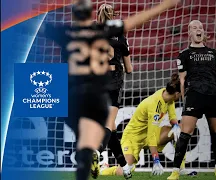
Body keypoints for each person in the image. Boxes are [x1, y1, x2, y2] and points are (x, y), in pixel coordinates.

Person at [40, 0, 181, 180]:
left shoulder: (67, 32)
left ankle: (122, 165)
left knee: (97, 133)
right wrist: (164, 6)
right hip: (104, 86)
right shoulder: (109, 32)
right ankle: (98, 152)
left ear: (75, 15)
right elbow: (129, 61)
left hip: (74, 90)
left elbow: (33, 30)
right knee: (108, 126)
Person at [167, 20, 216, 180]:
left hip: (213, 95)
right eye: (195, 27)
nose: (198, 29)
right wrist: (185, 100)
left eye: (200, 27)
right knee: (185, 134)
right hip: (194, 96)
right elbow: (182, 80)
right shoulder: (184, 55)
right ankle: (175, 172)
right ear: (189, 33)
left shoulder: (213, 53)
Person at [100, 73, 184, 176]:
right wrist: (156, 159)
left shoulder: (167, 96)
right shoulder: (155, 105)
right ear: (176, 93)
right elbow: (151, 136)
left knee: (179, 130)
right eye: (181, 93)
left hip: (148, 133)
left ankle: (180, 168)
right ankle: (104, 169)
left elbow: (172, 116)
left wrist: (175, 125)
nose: (182, 95)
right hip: (132, 137)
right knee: (123, 172)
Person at [90, 4, 133, 179]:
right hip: (113, 78)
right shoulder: (121, 36)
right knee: (109, 122)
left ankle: (125, 167)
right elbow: (129, 68)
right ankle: (97, 151)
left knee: (112, 128)